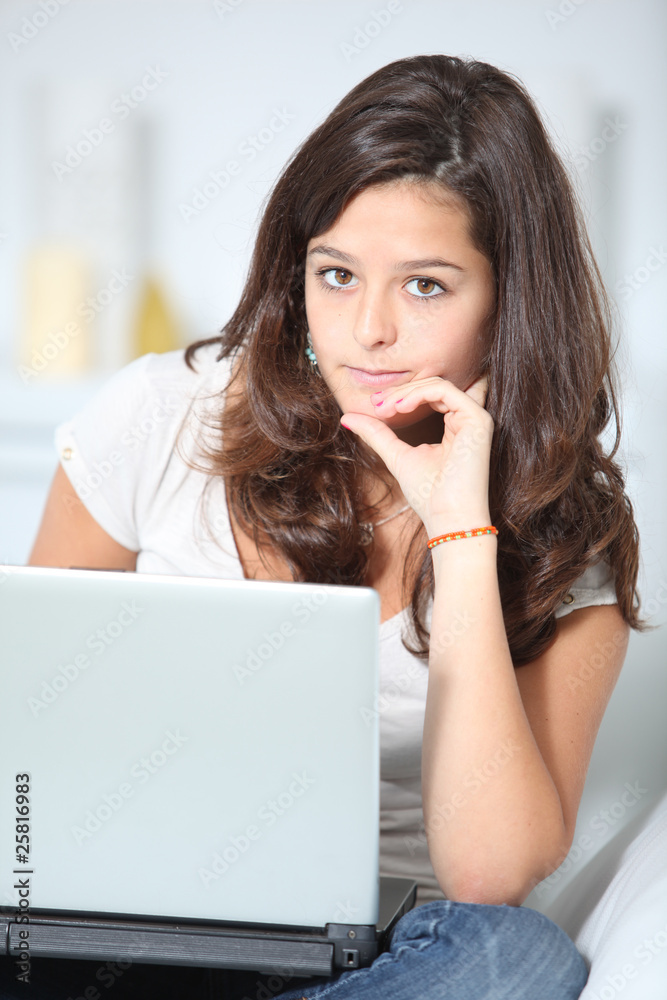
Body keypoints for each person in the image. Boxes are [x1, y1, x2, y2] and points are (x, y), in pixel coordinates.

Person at [9, 53, 646, 1000]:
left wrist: (460, 530)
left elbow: (489, 878)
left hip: (375, 955)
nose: (367, 331)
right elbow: (30, 741)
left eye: (425, 286)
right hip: (124, 927)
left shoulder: (567, 529)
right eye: (336, 274)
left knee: (518, 957)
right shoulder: (158, 415)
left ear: (510, 305)